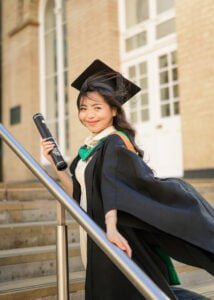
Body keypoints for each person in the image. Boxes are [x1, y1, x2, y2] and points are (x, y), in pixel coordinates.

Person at [41, 59, 214, 300]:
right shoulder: (90, 148)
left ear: (114, 110)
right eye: (83, 108)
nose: (88, 115)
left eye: (97, 108)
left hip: (118, 236)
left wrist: (111, 227)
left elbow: (115, 187)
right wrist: (56, 166)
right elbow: (80, 198)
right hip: (99, 233)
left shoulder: (114, 142)